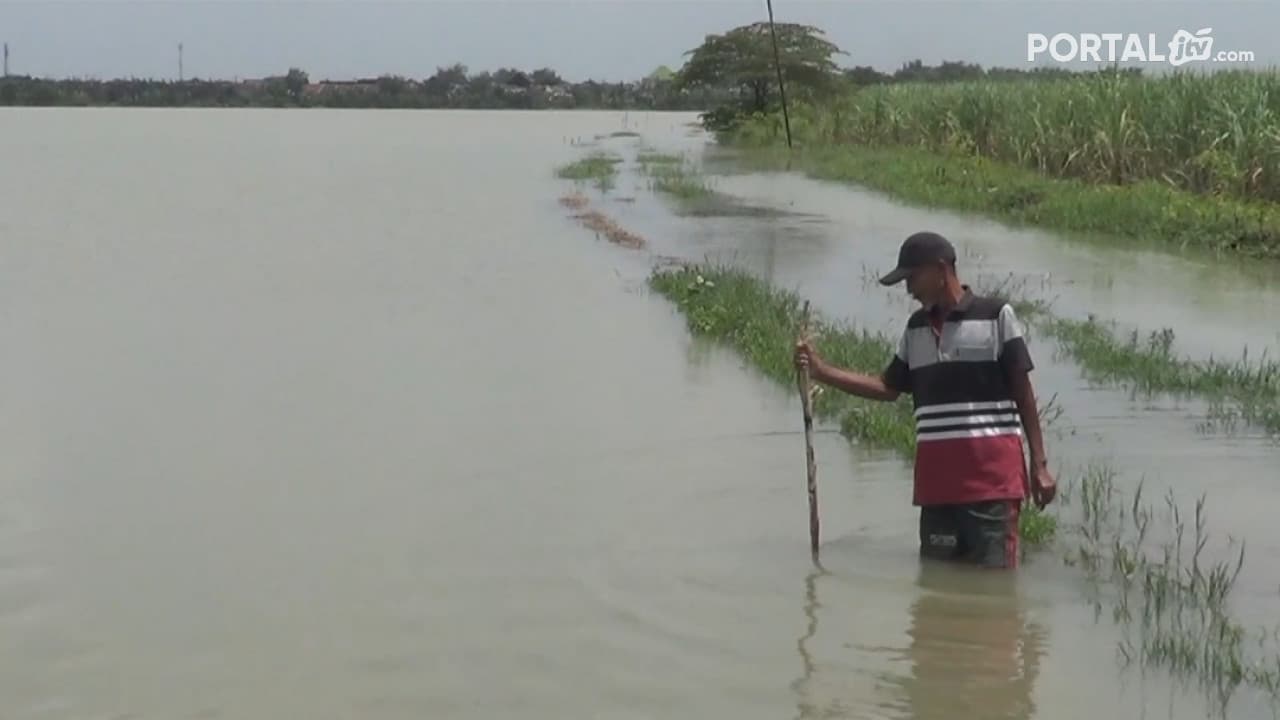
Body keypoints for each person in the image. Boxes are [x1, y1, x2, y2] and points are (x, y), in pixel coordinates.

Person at [793, 231, 1055, 569]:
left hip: (991, 488)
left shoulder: (995, 316)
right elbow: (888, 387)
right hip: (936, 491)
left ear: (940, 269)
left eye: (912, 278)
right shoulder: (915, 329)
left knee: (995, 591)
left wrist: (1040, 465)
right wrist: (821, 371)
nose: (909, 290)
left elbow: (1023, 392)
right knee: (936, 586)